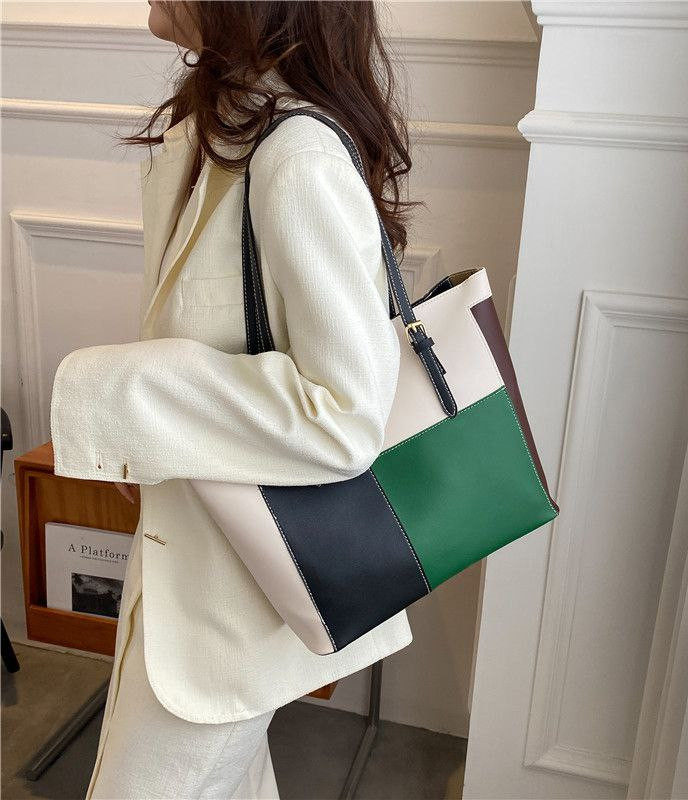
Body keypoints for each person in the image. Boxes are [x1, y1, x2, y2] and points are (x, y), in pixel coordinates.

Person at [48, 2, 417, 797]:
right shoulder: (224, 130)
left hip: (239, 604)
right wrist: (160, 440)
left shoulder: (296, 157)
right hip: (193, 580)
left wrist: (130, 400)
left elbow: (345, 413)